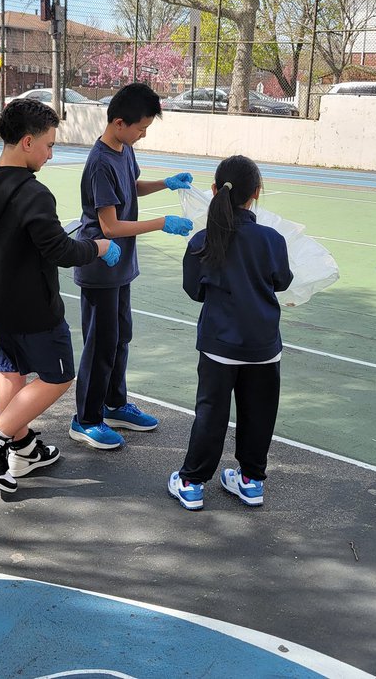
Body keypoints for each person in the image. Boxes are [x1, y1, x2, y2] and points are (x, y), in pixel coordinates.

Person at [0, 98, 121, 492]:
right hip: (30, 304)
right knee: (59, 376)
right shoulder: (34, 194)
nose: (51, 153)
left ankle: (23, 447)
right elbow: (61, 252)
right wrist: (98, 247)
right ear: (27, 142)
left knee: (10, 369)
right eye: (48, 144)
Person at [70, 82, 195, 449]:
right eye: (141, 128)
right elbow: (109, 226)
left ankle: (114, 404)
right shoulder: (99, 163)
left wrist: (166, 184)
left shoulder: (123, 151)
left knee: (120, 337)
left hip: (121, 266)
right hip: (101, 266)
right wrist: (160, 223)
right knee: (100, 344)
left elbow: (132, 187)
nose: (142, 135)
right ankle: (86, 418)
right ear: (120, 122)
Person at [168, 155, 293, 511]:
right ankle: (252, 481)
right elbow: (282, 281)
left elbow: (194, 290)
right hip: (263, 346)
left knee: (211, 413)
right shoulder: (271, 239)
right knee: (259, 412)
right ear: (255, 193)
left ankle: (192, 483)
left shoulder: (202, 241)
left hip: (219, 344)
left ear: (214, 190)